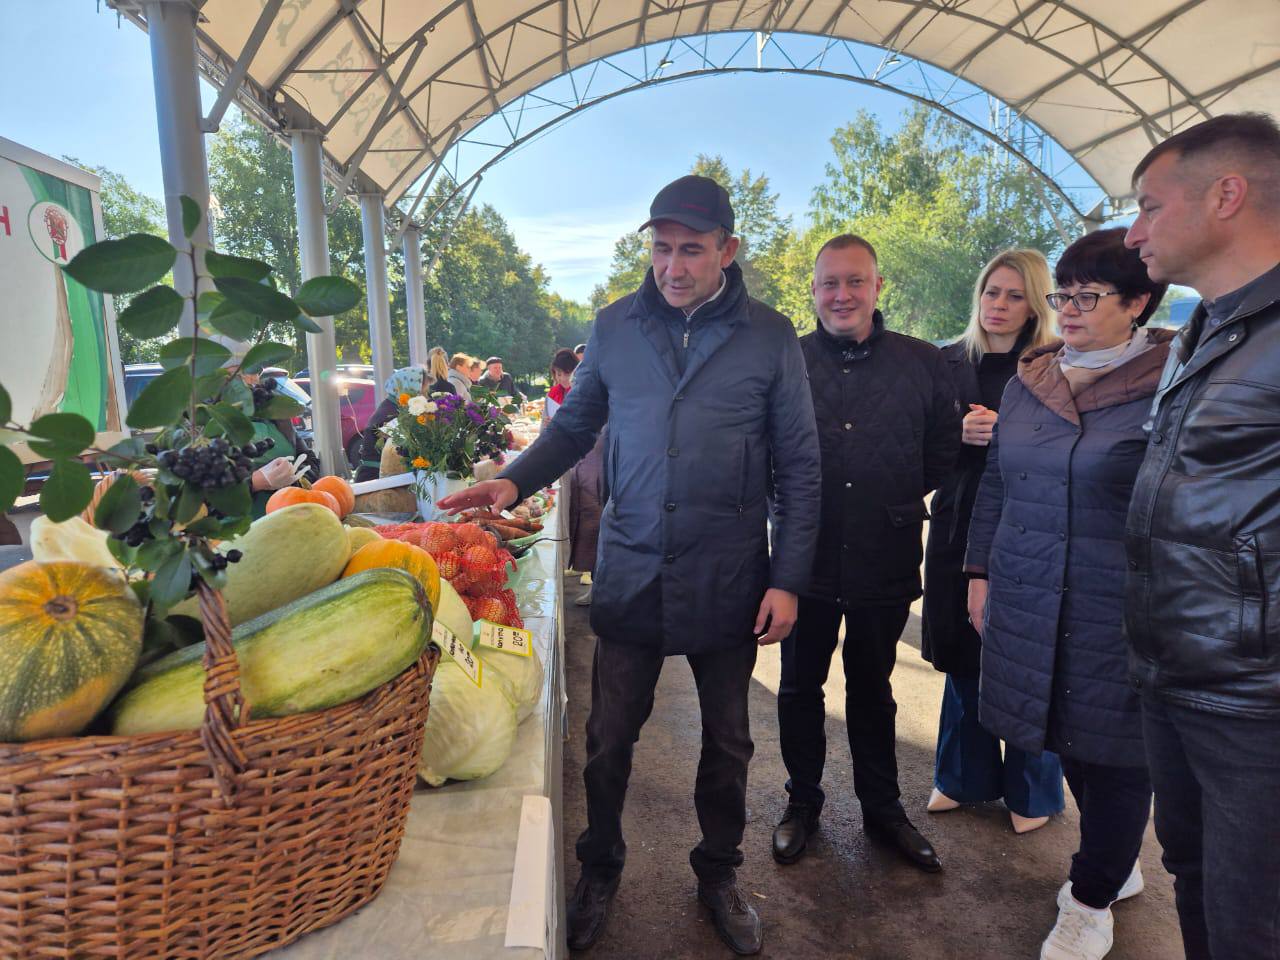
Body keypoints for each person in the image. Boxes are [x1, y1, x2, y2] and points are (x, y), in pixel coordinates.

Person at [438, 174, 821, 956]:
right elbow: (574, 426)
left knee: (729, 744)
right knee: (609, 737)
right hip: (633, 565)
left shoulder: (770, 335)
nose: (672, 267)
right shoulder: (615, 326)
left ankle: (719, 872)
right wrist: (513, 481)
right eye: (661, 249)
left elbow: (800, 464)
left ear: (727, 250)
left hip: (729, 574)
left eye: (691, 250)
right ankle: (600, 866)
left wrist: (787, 579)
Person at [966, 228, 1170, 960]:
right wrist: (979, 572)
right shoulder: (1032, 380)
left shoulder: (1172, 382)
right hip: (1028, 585)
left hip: (1116, 601)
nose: (1068, 311)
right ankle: (1115, 864)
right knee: (1063, 735)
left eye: (1088, 296)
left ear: (1138, 302)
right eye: (1064, 295)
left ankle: (1090, 898)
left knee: (1117, 752)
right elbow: (997, 485)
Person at [1122, 112, 1280, 960]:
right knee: (1195, 877)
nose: (1134, 231)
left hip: (1256, 700)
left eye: (1149, 206)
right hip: (1173, 670)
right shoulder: (1202, 328)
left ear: (1226, 195)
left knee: (1253, 919)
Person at [771, 234, 960, 875]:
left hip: (886, 551)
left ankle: (883, 810)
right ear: (814, 290)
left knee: (872, 688)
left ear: (878, 286)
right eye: (830, 282)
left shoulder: (922, 361)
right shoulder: (789, 362)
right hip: (806, 558)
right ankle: (802, 802)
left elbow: (942, 449)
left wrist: (893, 494)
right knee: (799, 686)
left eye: (856, 281)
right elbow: (765, 454)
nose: (842, 294)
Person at [921, 249, 1064, 833]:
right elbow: (913, 446)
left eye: (1013, 295)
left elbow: (1073, 449)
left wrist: (1012, 436)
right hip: (956, 525)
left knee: (1027, 657)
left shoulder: (1054, 366)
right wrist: (952, 434)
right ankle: (961, 776)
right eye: (991, 291)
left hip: (1029, 526)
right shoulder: (944, 362)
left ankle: (1033, 790)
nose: (998, 305)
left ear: (1034, 304)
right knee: (961, 651)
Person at [354, 366, 428, 483]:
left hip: (380, 478)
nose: (425, 395)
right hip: (376, 482)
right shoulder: (391, 415)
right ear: (409, 387)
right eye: (422, 390)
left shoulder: (391, 407)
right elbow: (403, 451)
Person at [545, 347, 578, 415]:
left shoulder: (584, 394)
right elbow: (545, 418)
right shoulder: (551, 394)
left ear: (576, 371)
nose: (563, 379)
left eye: (567, 374)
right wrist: (546, 420)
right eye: (559, 374)